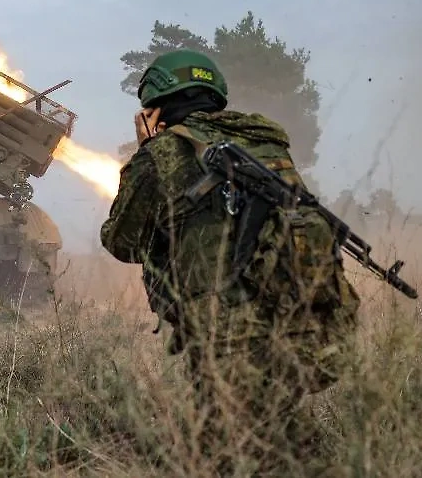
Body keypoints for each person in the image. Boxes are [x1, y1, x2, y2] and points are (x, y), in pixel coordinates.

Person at [100, 49, 360, 470]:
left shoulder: (163, 152)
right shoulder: (267, 143)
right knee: (279, 431)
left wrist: (145, 152)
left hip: (226, 333)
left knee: (229, 453)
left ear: (160, 105)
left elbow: (122, 241)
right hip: (292, 315)